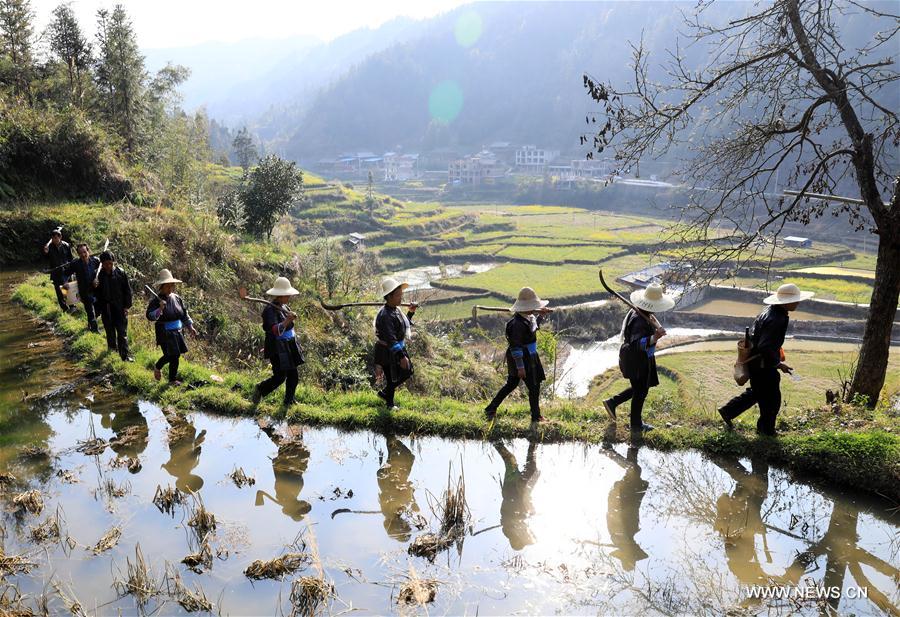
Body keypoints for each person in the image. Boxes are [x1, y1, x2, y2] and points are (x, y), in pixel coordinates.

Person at [718, 283, 814, 436]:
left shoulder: (770, 311)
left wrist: (777, 362)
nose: (798, 303)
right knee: (772, 399)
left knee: (757, 393)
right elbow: (765, 346)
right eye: (796, 300)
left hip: (758, 363)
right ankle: (766, 431)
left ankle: (728, 411)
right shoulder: (777, 319)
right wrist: (777, 364)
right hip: (763, 366)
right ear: (785, 302)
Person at [603, 283, 675, 432]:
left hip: (642, 358)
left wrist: (656, 329)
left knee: (640, 388)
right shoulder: (639, 320)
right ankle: (635, 424)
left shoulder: (644, 314)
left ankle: (612, 402)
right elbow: (637, 344)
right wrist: (655, 337)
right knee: (640, 391)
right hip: (637, 360)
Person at [485, 287, 552, 424]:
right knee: (533, 386)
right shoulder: (516, 324)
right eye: (532, 307)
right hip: (522, 358)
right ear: (525, 307)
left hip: (529, 355)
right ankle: (536, 417)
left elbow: (533, 329)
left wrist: (541, 316)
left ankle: (491, 408)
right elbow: (516, 346)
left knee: (512, 384)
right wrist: (520, 367)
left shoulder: (528, 318)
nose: (534, 309)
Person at [252, 277, 305, 407]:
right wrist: (287, 320)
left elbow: (289, 328)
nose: (289, 297)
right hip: (277, 348)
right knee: (280, 377)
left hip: (289, 345)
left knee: (293, 375)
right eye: (287, 294)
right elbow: (275, 330)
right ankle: (260, 389)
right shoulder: (269, 311)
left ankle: (289, 401)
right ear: (280, 295)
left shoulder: (284, 306)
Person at [146, 269, 197, 384]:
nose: (170, 289)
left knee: (176, 356)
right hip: (164, 332)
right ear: (161, 287)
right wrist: (160, 309)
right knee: (170, 355)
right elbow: (150, 316)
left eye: (171, 286)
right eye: (167, 286)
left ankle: (172, 380)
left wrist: (190, 327)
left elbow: (184, 314)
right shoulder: (156, 301)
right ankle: (158, 367)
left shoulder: (177, 298)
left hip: (178, 331)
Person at [374, 278, 418, 410]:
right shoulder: (385, 315)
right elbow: (391, 337)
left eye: (401, 295)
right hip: (388, 350)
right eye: (398, 295)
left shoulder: (395, 310)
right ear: (389, 296)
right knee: (391, 375)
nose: (401, 298)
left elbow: (402, 325)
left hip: (397, 347)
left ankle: (385, 394)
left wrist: (410, 312)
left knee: (407, 371)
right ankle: (389, 404)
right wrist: (400, 356)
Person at [494, 441, 540, 550]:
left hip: (515, 490)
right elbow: (534, 539)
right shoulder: (512, 530)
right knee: (511, 461)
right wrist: (528, 514)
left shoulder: (508, 530)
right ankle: (495, 441)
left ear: (516, 540)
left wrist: (524, 516)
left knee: (528, 467)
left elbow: (511, 514)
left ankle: (533, 442)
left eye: (521, 541)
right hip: (511, 489)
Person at [94, 250, 133, 361]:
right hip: (106, 308)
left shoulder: (121, 273)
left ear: (113, 262)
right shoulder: (98, 275)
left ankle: (124, 356)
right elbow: (94, 294)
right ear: (102, 264)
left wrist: (126, 306)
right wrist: (94, 286)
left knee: (122, 332)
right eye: (106, 264)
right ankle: (112, 353)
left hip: (120, 307)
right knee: (110, 331)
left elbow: (127, 291)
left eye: (110, 263)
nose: (108, 266)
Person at [62, 243, 101, 332]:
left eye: (84, 252)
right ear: (78, 254)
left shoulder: (96, 261)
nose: (83, 255)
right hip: (84, 291)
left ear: (88, 251)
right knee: (90, 311)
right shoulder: (75, 264)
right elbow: (65, 274)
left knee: (98, 310)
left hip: (96, 290)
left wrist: (97, 280)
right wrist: (65, 282)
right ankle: (95, 331)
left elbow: (102, 271)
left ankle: (90, 324)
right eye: (80, 253)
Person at [43, 227, 73, 310]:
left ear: (60, 237)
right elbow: (45, 259)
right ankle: (64, 308)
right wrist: (45, 252)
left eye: (57, 237)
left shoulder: (66, 245)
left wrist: (71, 269)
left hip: (66, 271)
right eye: (53, 238)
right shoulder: (49, 247)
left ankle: (72, 306)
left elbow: (70, 258)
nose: (55, 239)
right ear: (51, 238)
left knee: (67, 289)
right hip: (56, 272)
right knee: (59, 291)